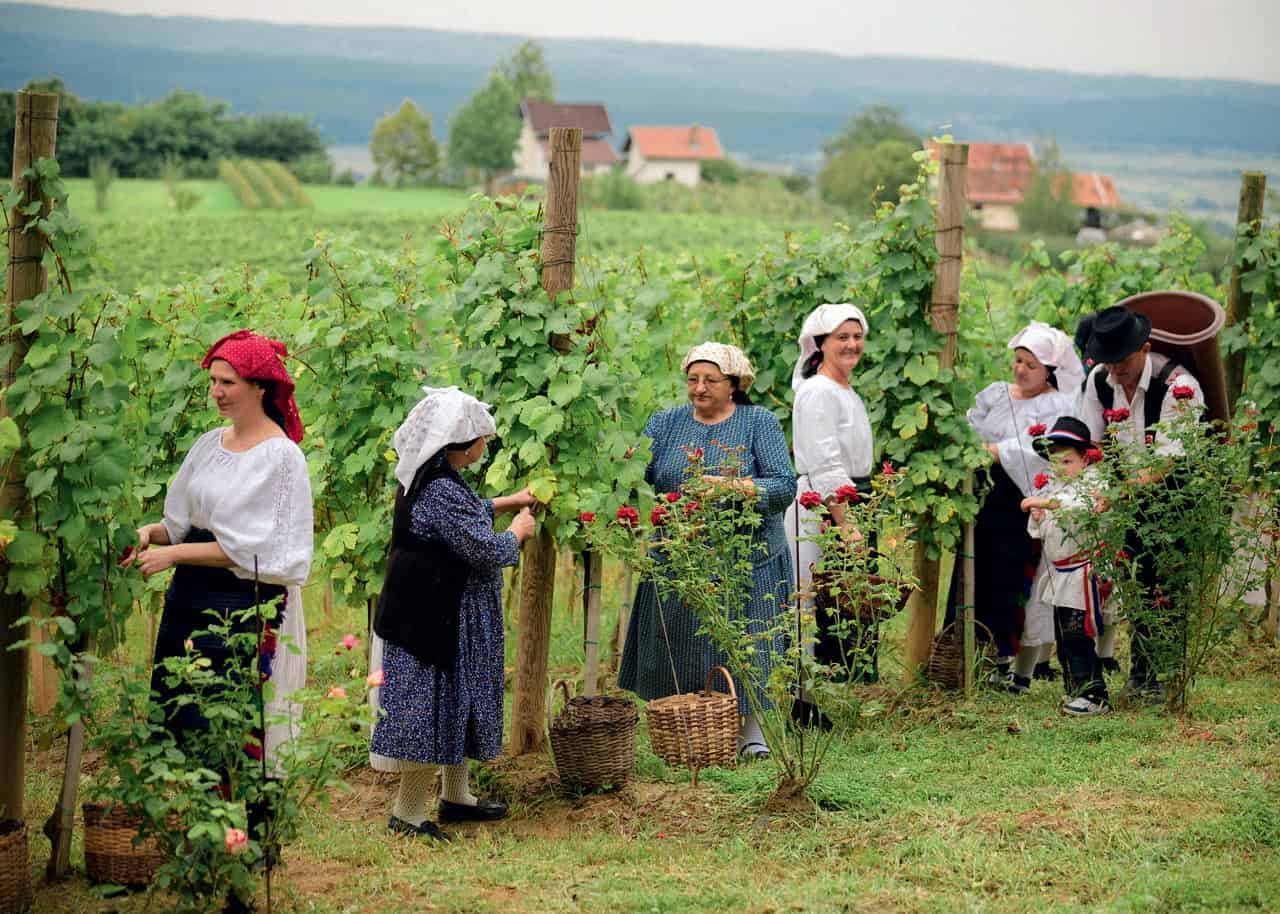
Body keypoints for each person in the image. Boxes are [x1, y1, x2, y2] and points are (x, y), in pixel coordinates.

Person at [124, 329, 313, 896]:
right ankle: (211, 843)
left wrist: (175, 552)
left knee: (235, 727)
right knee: (189, 721)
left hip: (241, 603)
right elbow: (179, 520)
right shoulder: (210, 444)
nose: (217, 392)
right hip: (190, 601)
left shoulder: (281, 458)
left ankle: (250, 851)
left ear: (259, 387)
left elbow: (266, 552)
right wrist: (150, 533)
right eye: (212, 381)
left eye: (227, 382)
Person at [368, 387, 537, 840]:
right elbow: (483, 549)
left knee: (457, 701)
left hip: (439, 612)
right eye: (483, 437)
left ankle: (456, 797)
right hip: (434, 619)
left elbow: (464, 514)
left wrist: (504, 502)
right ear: (462, 445)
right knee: (434, 708)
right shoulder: (440, 487)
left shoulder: (431, 474)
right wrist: (517, 532)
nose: (487, 444)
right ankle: (408, 813)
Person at [618, 343, 796, 760]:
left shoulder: (758, 423)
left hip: (748, 558)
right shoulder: (664, 424)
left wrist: (730, 487)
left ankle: (753, 734)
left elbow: (784, 486)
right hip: (680, 553)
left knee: (749, 642)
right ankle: (688, 728)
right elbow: (638, 481)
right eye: (693, 379)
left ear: (733, 385)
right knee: (681, 640)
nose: (699, 388)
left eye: (710, 380)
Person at [946, 321, 1083, 690]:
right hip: (982, 494)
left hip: (1017, 500)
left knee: (1008, 576)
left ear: (1050, 371)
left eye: (1031, 365)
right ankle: (963, 649)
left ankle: (1003, 657)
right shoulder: (995, 394)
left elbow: (1041, 451)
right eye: (1018, 361)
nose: (1021, 369)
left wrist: (995, 450)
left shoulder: (1056, 404)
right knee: (975, 570)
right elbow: (969, 429)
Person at [1079, 304, 1205, 700]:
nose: (1114, 371)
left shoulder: (1178, 385)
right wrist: (1097, 486)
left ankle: (1165, 675)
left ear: (1145, 348)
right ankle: (1141, 674)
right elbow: (1092, 443)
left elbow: (1169, 461)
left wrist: (1118, 491)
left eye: (1121, 362)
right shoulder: (1099, 382)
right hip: (1125, 497)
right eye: (1108, 362)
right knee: (1132, 583)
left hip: (1173, 497)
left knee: (1166, 583)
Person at [784, 303, 878, 695]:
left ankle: (828, 691)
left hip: (848, 498)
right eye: (842, 337)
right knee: (812, 599)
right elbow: (824, 463)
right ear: (821, 343)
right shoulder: (818, 391)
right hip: (821, 506)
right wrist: (847, 523)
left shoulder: (844, 390)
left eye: (857, 337)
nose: (852, 344)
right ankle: (804, 696)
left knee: (842, 601)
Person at [1021, 417, 1112, 716]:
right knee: (1064, 634)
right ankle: (1076, 689)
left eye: (1068, 460)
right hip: (1060, 571)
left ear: (1086, 458)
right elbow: (1040, 531)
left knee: (1077, 633)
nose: (1061, 467)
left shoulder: (1095, 485)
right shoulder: (1053, 486)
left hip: (1082, 571)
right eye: (1055, 460)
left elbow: (1080, 507)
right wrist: (1037, 517)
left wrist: (1045, 505)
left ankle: (1095, 694)